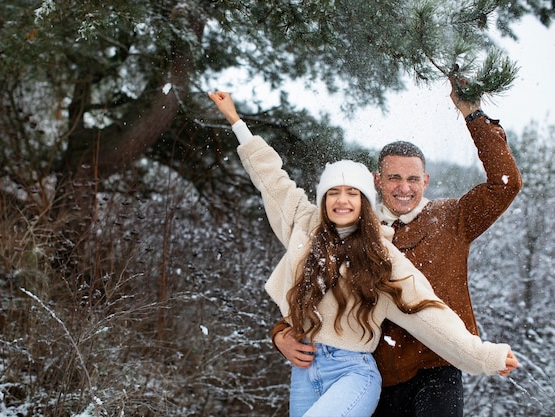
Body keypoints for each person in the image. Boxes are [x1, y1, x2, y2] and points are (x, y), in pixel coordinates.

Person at [208, 90, 518, 417]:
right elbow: (276, 188)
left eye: (413, 179)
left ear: (425, 181)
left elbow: (505, 184)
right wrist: (282, 333)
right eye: (394, 177)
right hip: (379, 372)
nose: (404, 187)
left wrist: (473, 114)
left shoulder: (451, 219)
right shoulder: (347, 228)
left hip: (435, 368)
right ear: (378, 181)